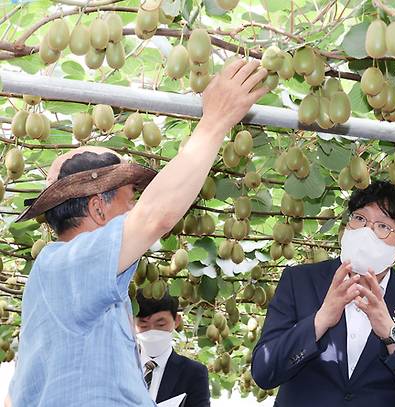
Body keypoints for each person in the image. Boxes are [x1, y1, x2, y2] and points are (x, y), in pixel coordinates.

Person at [6, 59, 268, 406]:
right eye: (129, 202)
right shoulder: (65, 263)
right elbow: (155, 217)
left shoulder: (74, 282)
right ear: (98, 208)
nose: (134, 211)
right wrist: (215, 121)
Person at [251, 181, 395, 407]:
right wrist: (321, 319)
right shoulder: (299, 281)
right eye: (360, 219)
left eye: (383, 227)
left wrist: (390, 333)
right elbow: (264, 372)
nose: (366, 232)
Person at [135, 289, 210, 407]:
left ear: (176, 321)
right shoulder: (120, 368)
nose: (152, 331)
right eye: (143, 325)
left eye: (161, 324)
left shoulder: (193, 373)